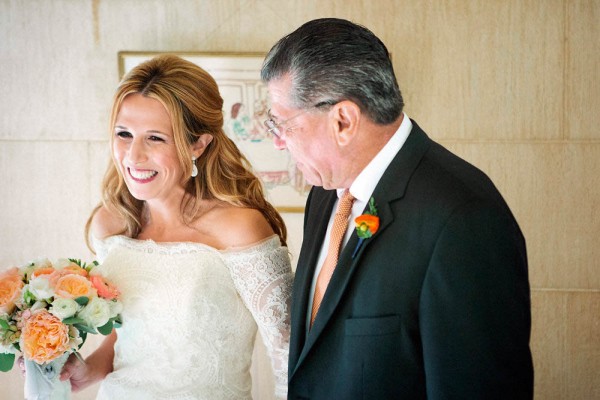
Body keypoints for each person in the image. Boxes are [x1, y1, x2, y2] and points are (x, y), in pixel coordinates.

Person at [260, 18, 533, 399]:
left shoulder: (464, 218)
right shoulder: (325, 194)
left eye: (283, 124)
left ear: (343, 120)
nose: (278, 142)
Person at [59, 54, 293, 399]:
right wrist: (85, 371)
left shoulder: (240, 228)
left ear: (198, 143)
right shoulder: (112, 223)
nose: (133, 156)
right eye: (124, 133)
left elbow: (289, 353)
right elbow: (129, 333)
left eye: (155, 138)